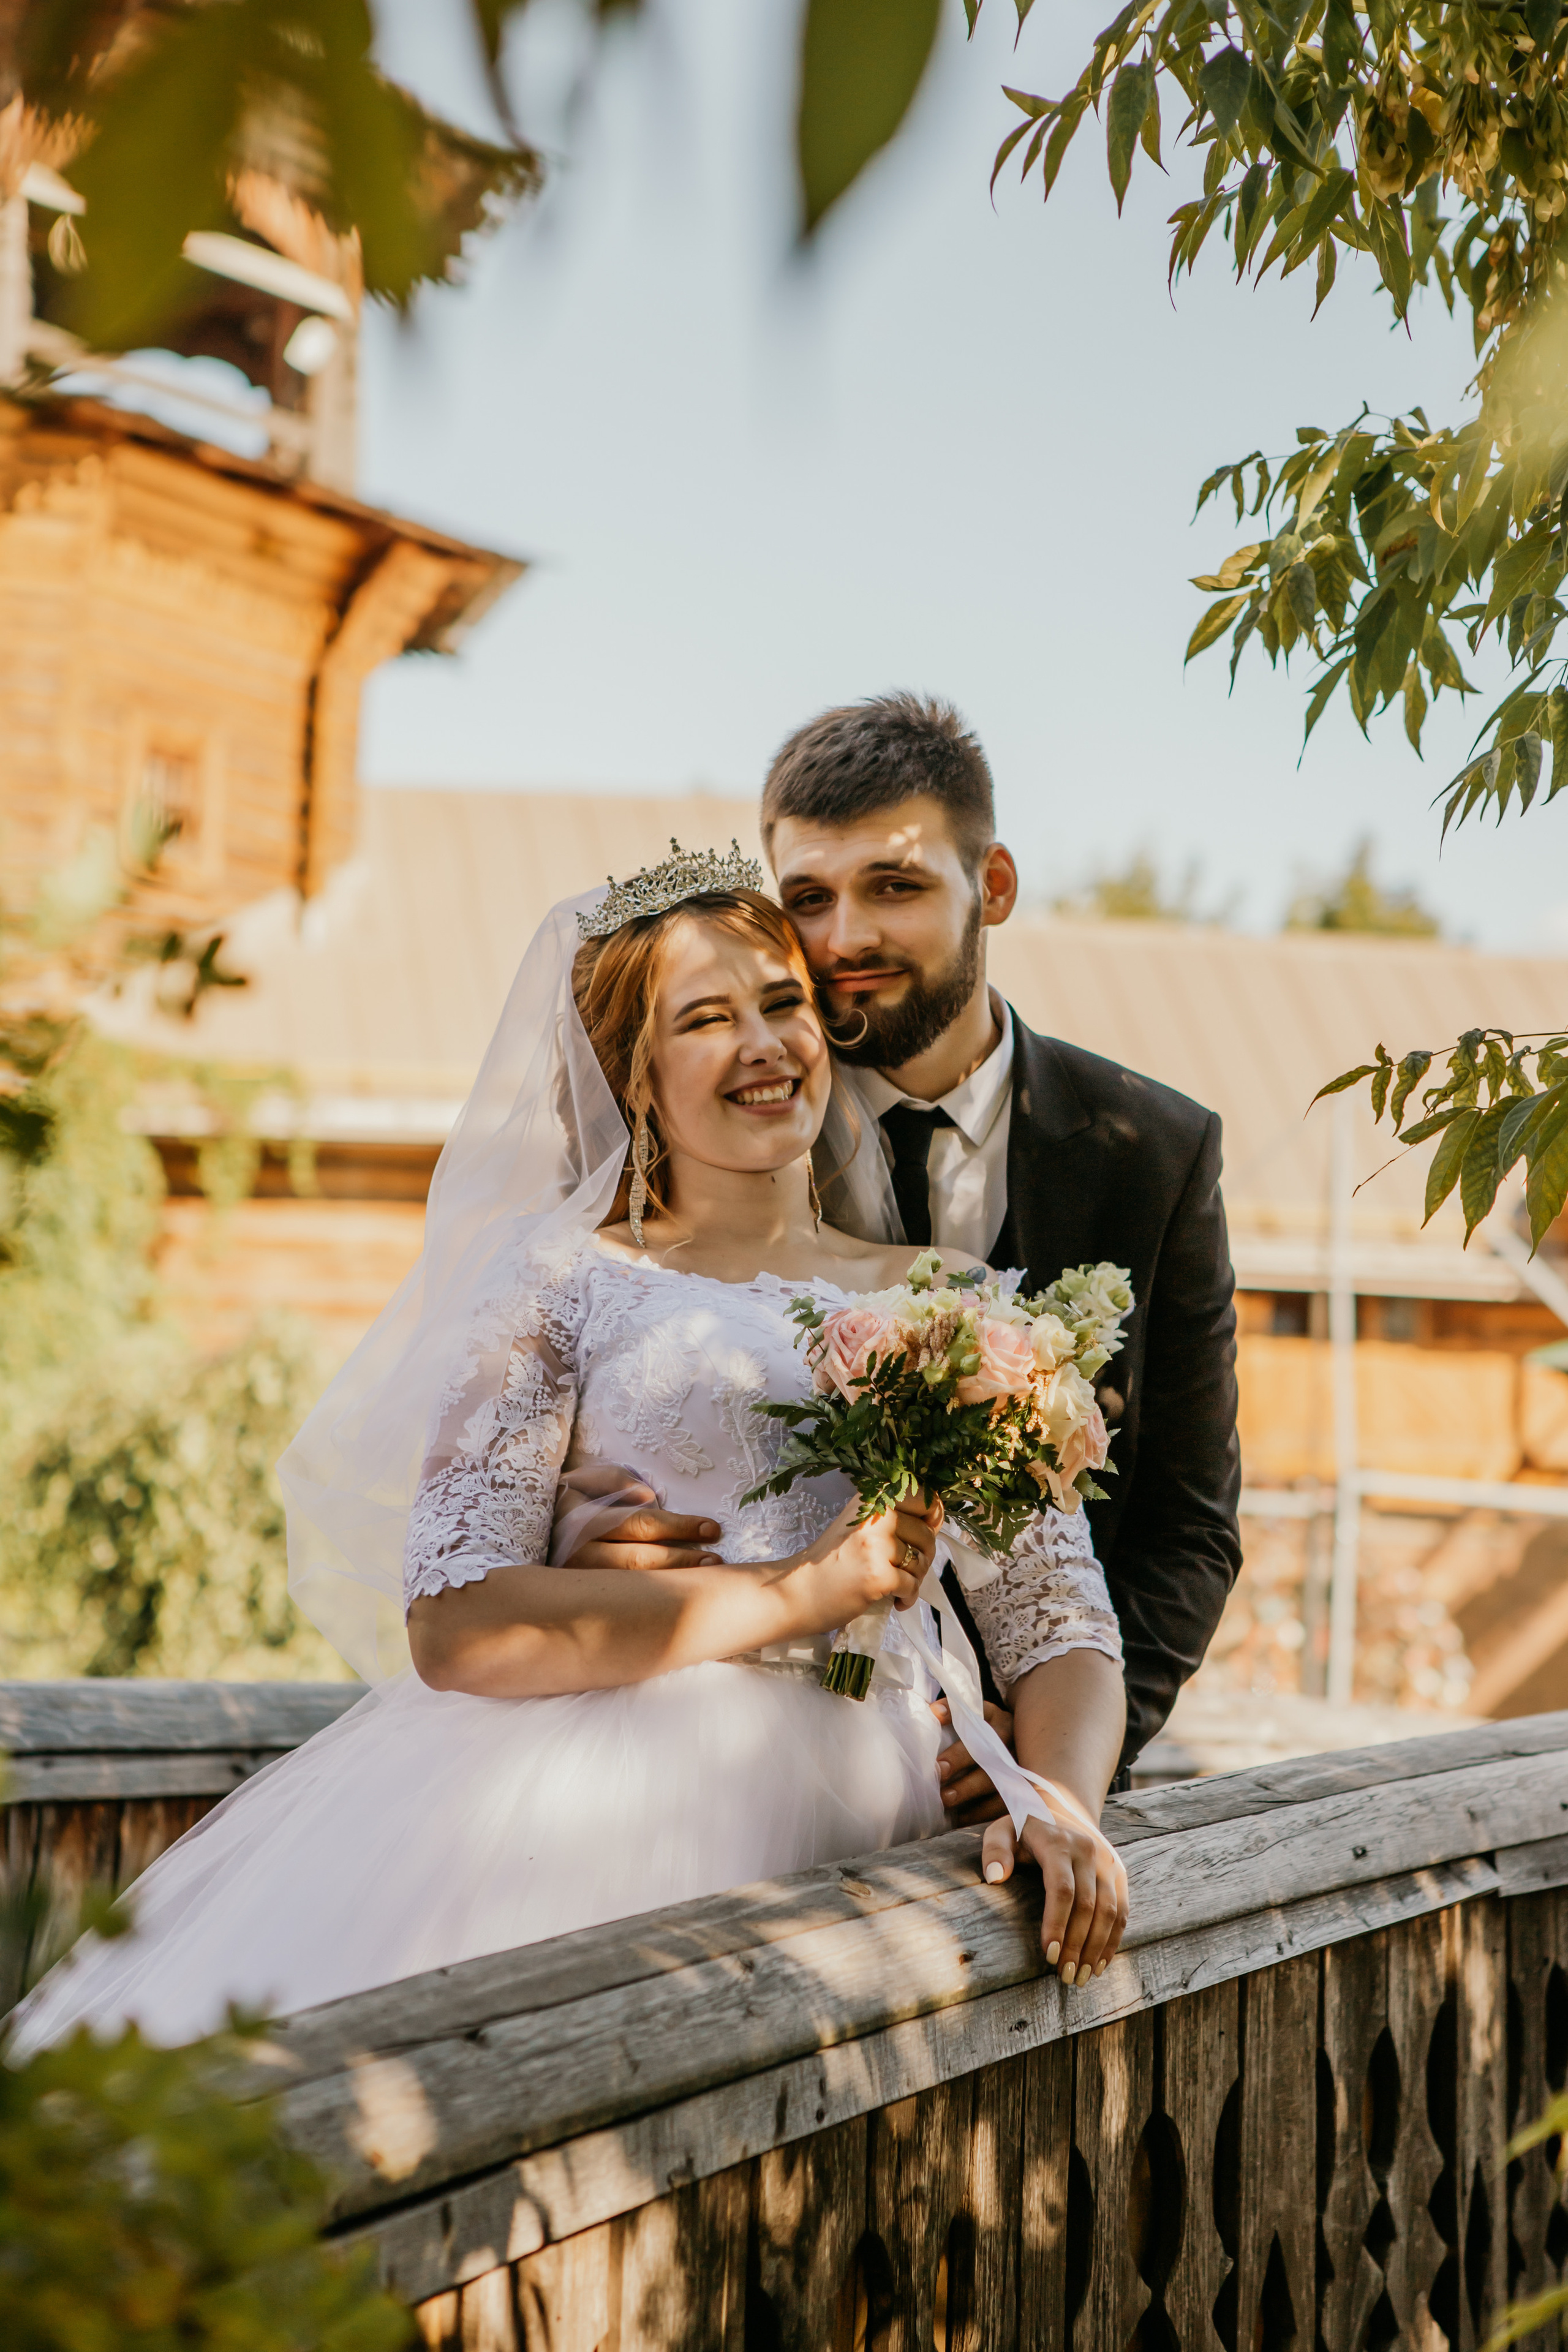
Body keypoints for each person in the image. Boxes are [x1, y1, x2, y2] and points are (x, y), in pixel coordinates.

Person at [11, 848, 1128, 2055]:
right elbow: (456, 1626)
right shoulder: (560, 1284)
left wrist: (1061, 1802)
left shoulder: (951, 1302)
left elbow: (1055, 1617)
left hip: (896, 1823)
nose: (762, 1044)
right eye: (705, 1019)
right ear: (634, 1077)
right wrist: (800, 1595)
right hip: (612, 1807)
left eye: (781, 1003)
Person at [567, 699, 1242, 1802]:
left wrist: (1059, 1756)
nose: (844, 940)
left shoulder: (1155, 1151)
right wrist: (578, 1547)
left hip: (1017, 1767)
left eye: (896, 886)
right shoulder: (722, 1116)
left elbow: (1187, 1525)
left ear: (996, 888)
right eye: (809, 899)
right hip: (708, 1758)